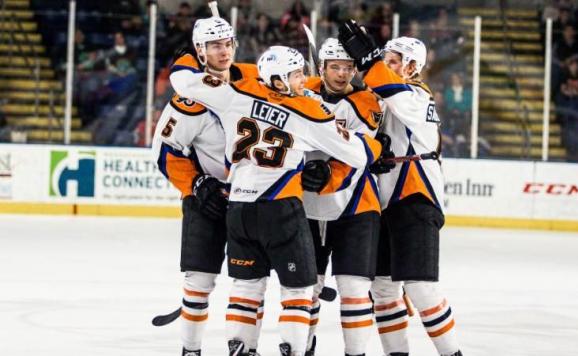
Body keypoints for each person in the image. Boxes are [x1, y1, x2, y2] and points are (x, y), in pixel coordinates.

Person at [170, 44, 388, 356]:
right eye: (297, 74)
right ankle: (293, 349)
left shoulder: (235, 94)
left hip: (239, 209)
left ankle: (241, 348)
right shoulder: (308, 112)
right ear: (279, 80)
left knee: (246, 286)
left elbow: (184, 80)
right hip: (281, 209)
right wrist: (377, 147)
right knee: (299, 290)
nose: (304, 79)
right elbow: (355, 153)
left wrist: (193, 54)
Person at [338, 22, 464, 356]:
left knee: (421, 289)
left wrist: (368, 63)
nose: (388, 67)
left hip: (415, 199)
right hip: (383, 202)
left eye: (393, 61)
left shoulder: (417, 96)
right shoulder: (385, 97)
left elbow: (391, 92)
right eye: (386, 60)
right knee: (382, 290)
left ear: (411, 67)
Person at [151, 16, 260, 356]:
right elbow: (165, 152)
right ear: (200, 51)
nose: (224, 51)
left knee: (251, 281)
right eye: (214, 45)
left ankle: (245, 348)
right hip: (208, 199)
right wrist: (196, 184)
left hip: (254, 198)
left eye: (228, 43)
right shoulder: (188, 100)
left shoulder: (254, 79)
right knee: (199, 281)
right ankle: (190, 349)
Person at [300, 38, 394, 356]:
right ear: (323, 67)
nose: (342, 74)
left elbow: (356, 152)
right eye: (335, 67)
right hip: (305, 205)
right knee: (304, 291)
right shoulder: (301, 91)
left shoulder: (367, 102)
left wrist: (329, 176)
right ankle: (303, 348)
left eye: (348, 68)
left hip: (355, 206)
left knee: (354, 291)